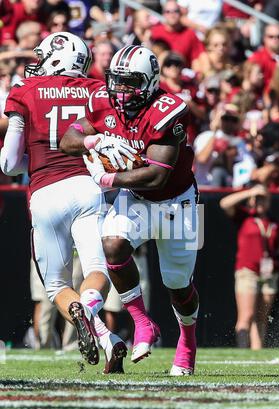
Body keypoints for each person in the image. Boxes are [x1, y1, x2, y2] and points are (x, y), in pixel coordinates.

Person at [60, 45, 200, 376]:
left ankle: (188, 340)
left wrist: (109, 175)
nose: (121, 91)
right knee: (112, 244)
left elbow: (157, 173)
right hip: (135, 197)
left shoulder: (168, 109)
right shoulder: (104, 101)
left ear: (151, 82)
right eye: (117, 81)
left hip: (177, 203)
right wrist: (92, 142)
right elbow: (69, 138)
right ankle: (142, 323)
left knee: (177, 284)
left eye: (130, 83)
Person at [0, 32, 134, 373]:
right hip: (87, 188)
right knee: (96, 271)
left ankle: (86, 317)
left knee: (58, 286)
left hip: (45, 193)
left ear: (56, 58)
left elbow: (9, 163)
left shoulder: (24, 91)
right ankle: (109, 339)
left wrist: (35, 155)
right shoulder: (96, 89)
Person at [220, 184, 279, 349]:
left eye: (264, 198)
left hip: (269, 273)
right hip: (248, 270)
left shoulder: (273, 221)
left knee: (261, 317)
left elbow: (278, 248)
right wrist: (250, 192)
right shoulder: (245, 216)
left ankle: (257, 352)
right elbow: (224, 203)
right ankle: (242, 352)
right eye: (257, 198)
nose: (260, 202)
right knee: (246, 315)